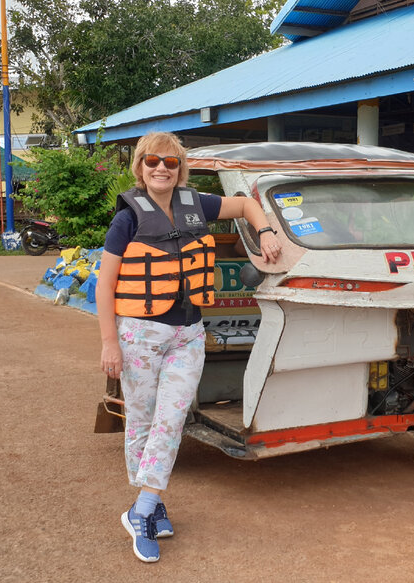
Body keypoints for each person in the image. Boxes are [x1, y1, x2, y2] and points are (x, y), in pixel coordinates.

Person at [96, 132, 283, 563]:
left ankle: (140, 510)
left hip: (188, 333)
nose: (161, 168)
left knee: (171, 418)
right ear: (140, 167)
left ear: (181, 168)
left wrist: (267, 231)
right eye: (152, 162)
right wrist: (109, 342)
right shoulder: (127, 219)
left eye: (171, 162)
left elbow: (246, 204)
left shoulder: (198, 203)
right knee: (142, 422)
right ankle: (152, 502)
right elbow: (105, 286)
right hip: (140, 334)